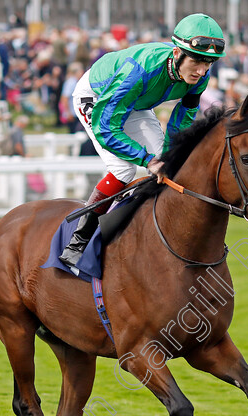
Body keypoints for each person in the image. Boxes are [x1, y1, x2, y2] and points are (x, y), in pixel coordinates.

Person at [60, 13, 225, 268]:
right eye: (197, 61)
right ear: (177, 53)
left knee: (168, 164)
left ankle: (151, 232)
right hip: (98, 96)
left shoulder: (199, 77)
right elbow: (106, 128)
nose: (202, 70)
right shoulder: (139, 70)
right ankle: (78, 241)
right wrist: (146, 160)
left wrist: (166, 159)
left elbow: (180, 122)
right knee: (123, 168)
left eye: (210, 63)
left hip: (136, 103)